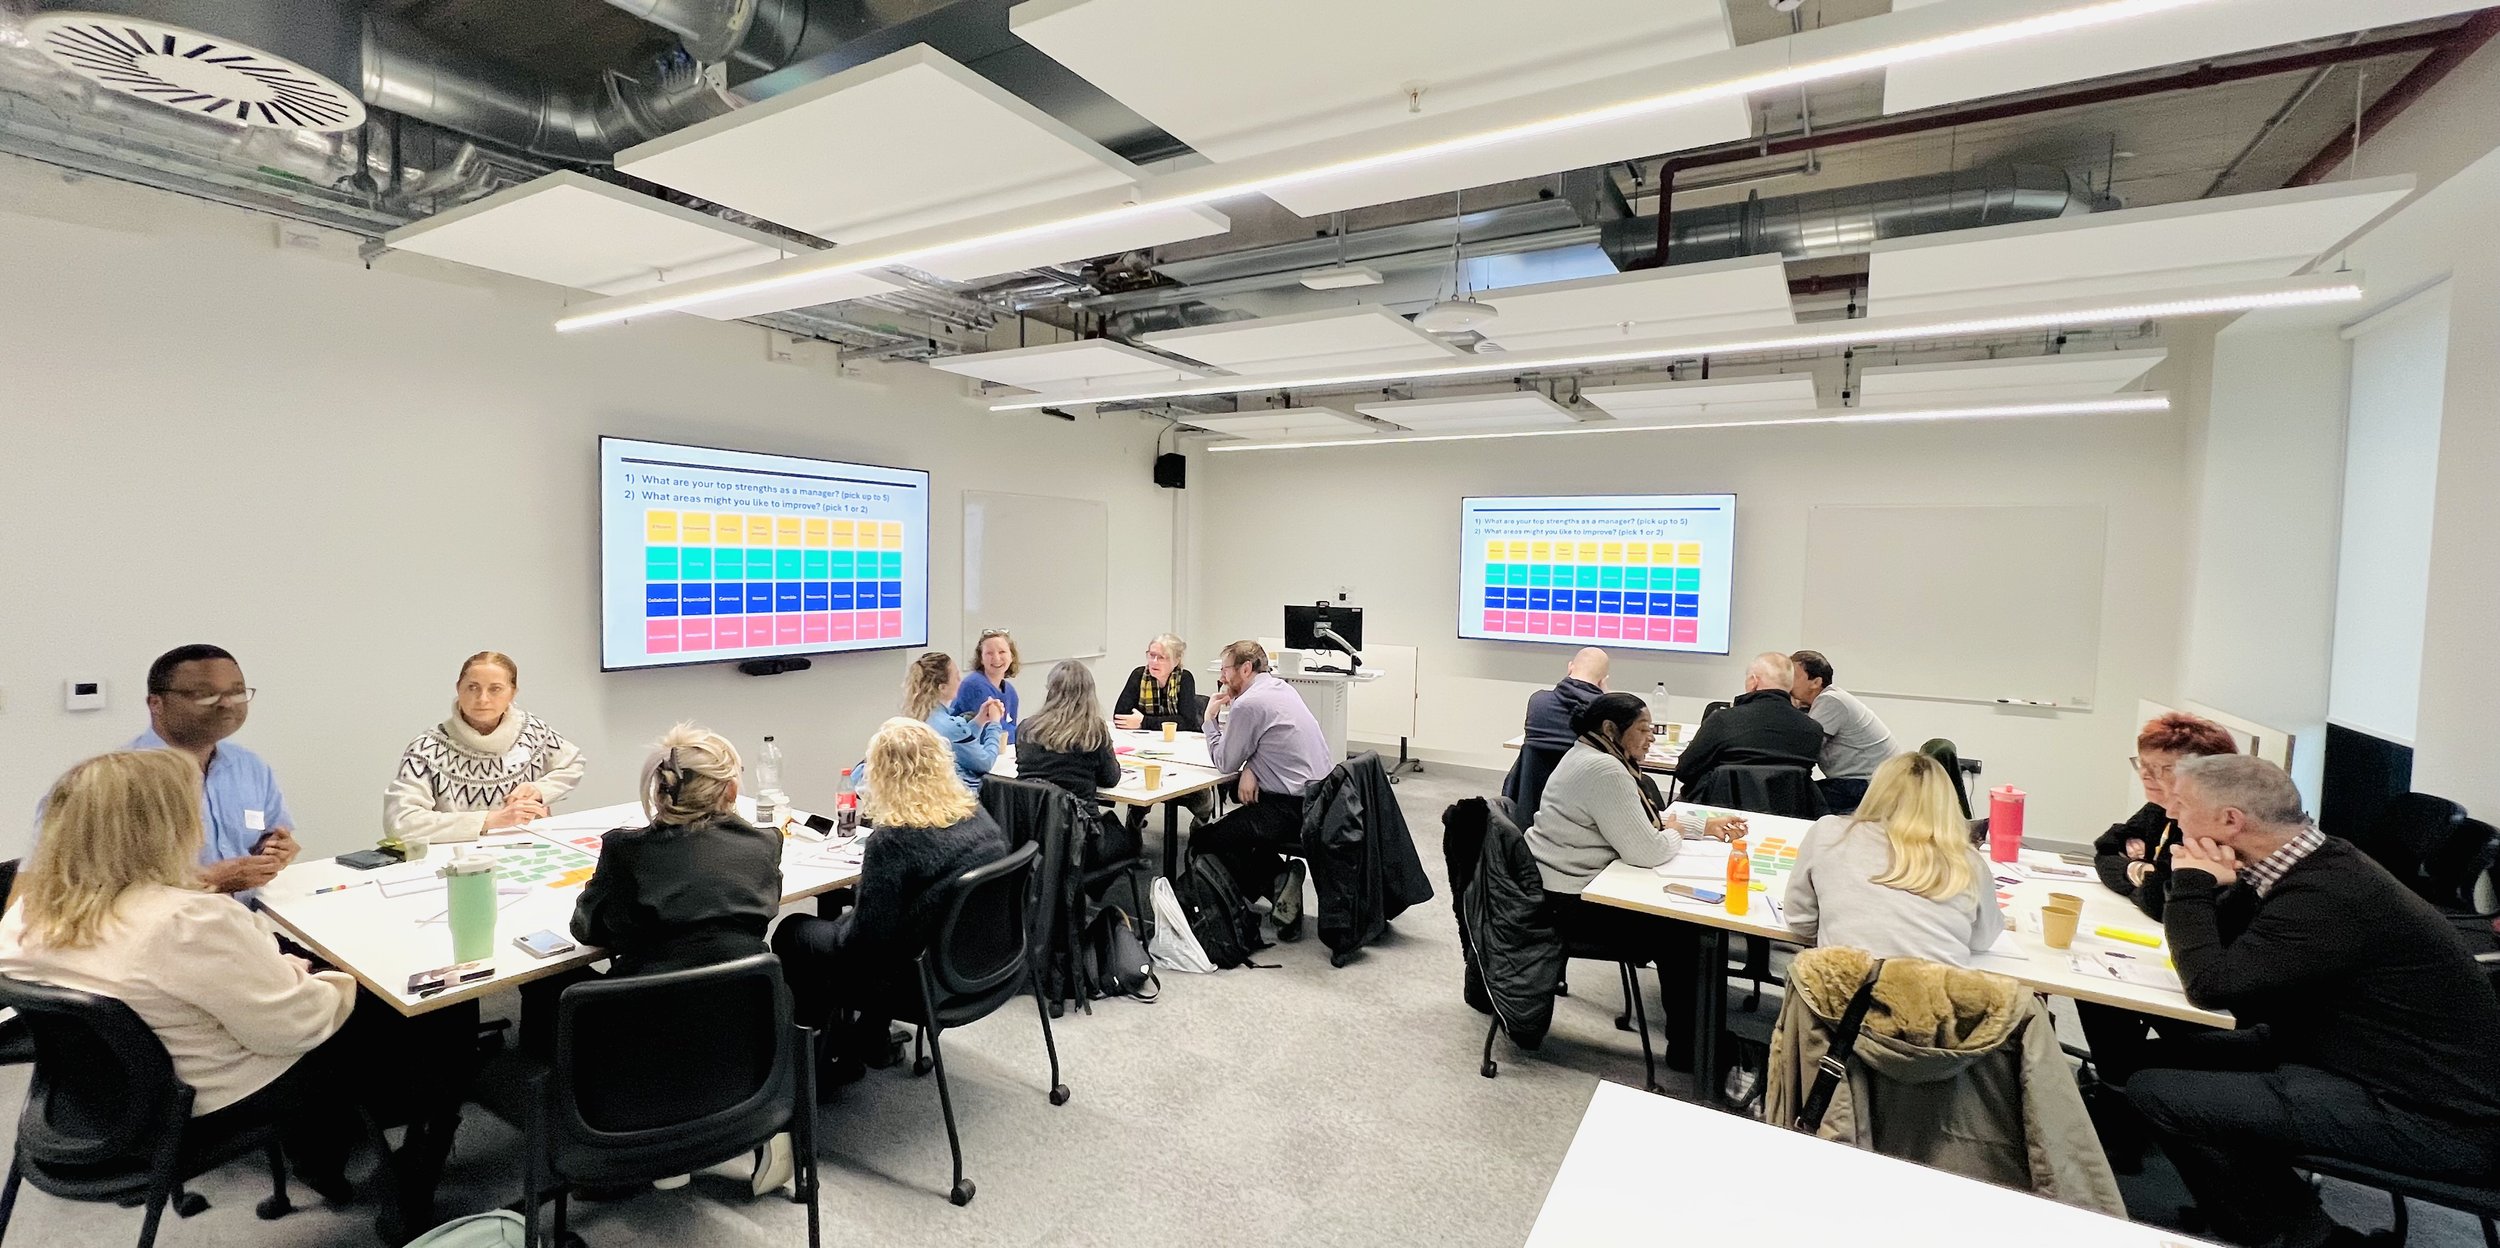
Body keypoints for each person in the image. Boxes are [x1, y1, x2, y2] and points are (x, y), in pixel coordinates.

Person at [2127, 756, 2500, 1248]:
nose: (2172, 817)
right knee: (2145, 1061)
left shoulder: (2331, 892)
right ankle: (2267, 1210)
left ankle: (2310, 1240)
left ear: (2230, 820)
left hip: (2431, 1112)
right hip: (2350, 1055)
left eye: (2182, 806)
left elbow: (2212, 986)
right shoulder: (2311, 862)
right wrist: (2219, 885)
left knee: (2157, 1090)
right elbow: (2236, 955)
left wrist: (2193, 883)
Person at [0, 751, 360, 1201]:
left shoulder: (24, 916)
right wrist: (323, 978)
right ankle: (373, 1174)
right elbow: (295, 1027)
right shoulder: (186, 921)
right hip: (196, 1104)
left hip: (79, 1106)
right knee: (374, 1018)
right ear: (165, 828)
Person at [550, 723, 791, 1195]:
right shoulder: (763, 844)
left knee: (552, 995)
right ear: (731, 791)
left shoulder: (627, 850)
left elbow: (587, 928)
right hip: (743, 1038)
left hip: (641, 1041)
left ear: (660, 790)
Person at [772, 718, 1009, 1087]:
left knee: (794, 931)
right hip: (976, 965)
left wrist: (847, 919)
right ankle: (867, 1038)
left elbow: (865, 942)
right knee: (859, 924)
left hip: (915, 980)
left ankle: (818, 1062)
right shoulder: (976, 815)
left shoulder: (893, 840)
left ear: (881, 776)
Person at [1525, 692, 1743, 1071]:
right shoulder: (1605, 770)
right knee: (1685, 928)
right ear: (1611, 729)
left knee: (1685, 925)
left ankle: (1696, 1039)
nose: (1651, 738)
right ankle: (1693, 1049)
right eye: (1643, 729)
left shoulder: (1589, 754)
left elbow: (1641, 820)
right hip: (1570, 903)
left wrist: (1702, 826)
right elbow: (1647, 850)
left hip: (1562, 886)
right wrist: (1675, 835)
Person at [1783, 753, 2002, 966]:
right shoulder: (1969, 861)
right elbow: (1983, 940)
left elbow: (1800, 921)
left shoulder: (1828, 833)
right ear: (1946, 803)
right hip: (1934, 989)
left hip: (1842, 986)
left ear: (1876, 791)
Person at [126, 644, 299, 900]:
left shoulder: (249, 766)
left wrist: (275, 850)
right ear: (156, 703)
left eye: (237, 693)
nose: (227, 704)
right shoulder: (117, 780)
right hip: (162, 924)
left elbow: (272, 834)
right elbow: (89, 887)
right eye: (205, 694)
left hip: (245, 918)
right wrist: (208, 881)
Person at [1194, 641, 1336, 938]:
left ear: (1246, 669)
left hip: (1287, 808)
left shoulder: (1247, 704)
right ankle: (1281, 889)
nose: (1221, 678)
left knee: (1204, 840)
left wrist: (1209, 721)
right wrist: (1253, 767)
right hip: (1318, 801)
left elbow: (1224, 762)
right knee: (1238, 825)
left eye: (1225, 670)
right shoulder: (1281, 688)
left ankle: (1277, 881)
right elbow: (1278, 743)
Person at [383, 651, 585, 845]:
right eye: (472, 687)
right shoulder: (427, 748)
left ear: (513, 692)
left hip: (529, 844)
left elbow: (573, 763)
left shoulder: (531, 729)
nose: (482, 699)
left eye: (495, 689)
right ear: (458, 689)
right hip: (459, 857)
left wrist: (539, 789)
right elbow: (401, 822)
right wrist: (489, 820)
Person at [2093, 712, 2239, 921]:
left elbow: (2159, 902)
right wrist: (2140, 870)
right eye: (2143, 764)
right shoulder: (2159, 808)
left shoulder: (2210, 822)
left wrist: (2136, 877)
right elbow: (2105, 851)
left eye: (2160, 768)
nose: (2145, 774)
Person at [1672, 652, 1822, 797]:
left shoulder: (1723, 720)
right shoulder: (1813, 730)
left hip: (1720, 810)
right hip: (1788, 812)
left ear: (1753, 682)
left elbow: (1685, 770)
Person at [1788, 650, 1897, 815]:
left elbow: (1805, 748)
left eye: (1793, 676)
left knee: (1795, 800)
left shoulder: (1830, 701)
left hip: (1866, 786)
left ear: (1816, 682)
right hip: (1871, 783)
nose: (1787, 680)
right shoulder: (1830, 698)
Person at [1012, 661, 1123, 810]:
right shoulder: (1093, 732)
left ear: (1050, 690)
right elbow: (1110, 778)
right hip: (1077, 820)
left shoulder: (1026, 729)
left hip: (1029, 819)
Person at [904, 651, 1004, 791]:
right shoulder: (951, 727)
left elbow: (958, 745)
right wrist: (995, 724)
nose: (960, 681)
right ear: (942, 687)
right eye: (956, 677)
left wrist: (979, 721)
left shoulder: (916, 718)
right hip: (962, 795)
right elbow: (985, 763)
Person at [1112, 633, 1199, 732]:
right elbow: (1119, 717)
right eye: (1152, 655)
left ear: (1176, 661)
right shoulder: (1138, 675)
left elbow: (1187, 722)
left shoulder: (1184, 678)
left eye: (1161, 657)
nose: (1154, 661)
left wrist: (1144, 722)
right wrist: (1163, 722)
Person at [947, 629, 1021, 743]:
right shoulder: (974, 685)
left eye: (1002, 652)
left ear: (1012, 657)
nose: (996, 658)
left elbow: (1010, 732)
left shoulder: (1011, 692)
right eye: (989, 653)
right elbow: (991, 730)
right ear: (981, 659)